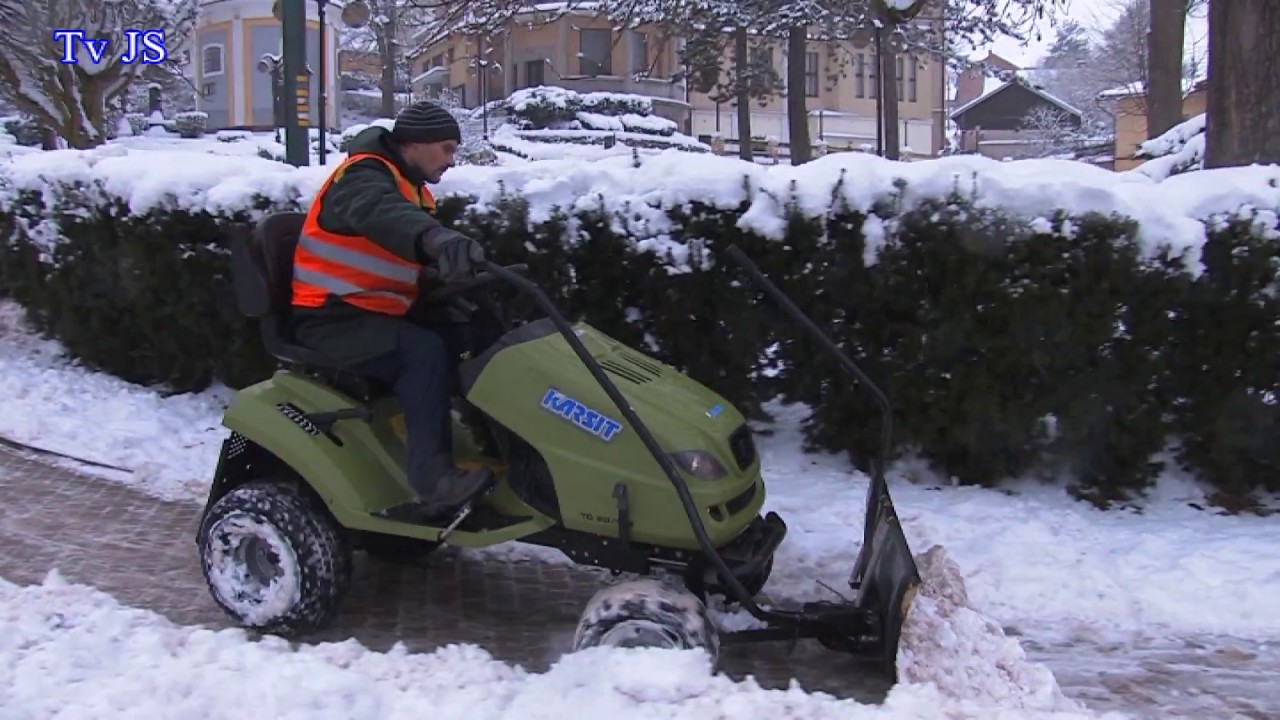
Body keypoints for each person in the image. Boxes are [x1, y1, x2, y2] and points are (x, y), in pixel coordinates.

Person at [289, 101, 493, 523]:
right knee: (422, 353)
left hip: (374, 309)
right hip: (330, 316)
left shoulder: (413, 187)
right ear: (415, 144)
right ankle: (432, 479)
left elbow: (392, 258)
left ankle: (501, 447)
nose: (451, 161)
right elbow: (381, 213)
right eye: (447, 148)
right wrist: (434, 239)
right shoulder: (363, 176)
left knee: (477, 332)